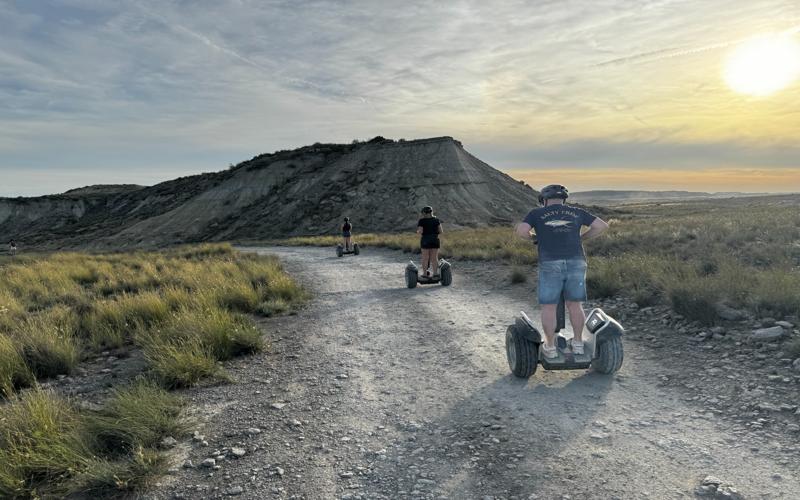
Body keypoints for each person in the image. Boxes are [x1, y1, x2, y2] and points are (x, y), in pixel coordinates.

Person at [515, 185, 609, 359]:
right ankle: (578, 344)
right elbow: (602, 226)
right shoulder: (577, 212)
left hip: (550, 262)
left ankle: (550, 347)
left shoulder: (536, 213)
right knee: (575, 304)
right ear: (564, 199)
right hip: (576, 261)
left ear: (544, 200)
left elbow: (521, 231)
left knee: (549, 306)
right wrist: (582, 238)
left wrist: (534, 238)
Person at [417, 206, 443, 278]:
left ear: (425, 213)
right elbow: (441, 231)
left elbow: (420, 231)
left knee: (425, 258)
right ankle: (435, 273)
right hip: (435, 240)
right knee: (434, 258)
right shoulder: (436, 220)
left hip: (425, 240)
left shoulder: (422, 221)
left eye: (423, 213)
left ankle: (425, 274)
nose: (422, 214)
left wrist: (418, 231)